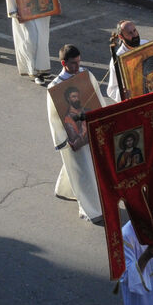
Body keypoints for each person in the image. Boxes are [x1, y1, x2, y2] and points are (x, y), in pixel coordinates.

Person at [47, 44, 104, 224]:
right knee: (83, 171)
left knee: (88, 168)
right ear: (63, 63)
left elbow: (97, 97)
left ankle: (65, 189)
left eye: (79, 62)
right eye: (73, 63)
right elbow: (54, 117)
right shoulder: (55, 86)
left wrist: (103, 119)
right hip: (72, 136)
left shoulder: (85, 74)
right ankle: (92, 210)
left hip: (90, 128)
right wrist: (64, 141)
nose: (77, 66)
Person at [107, 20, 141, 102]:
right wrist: (122, 93)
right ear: (121, 37)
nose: (134, 35)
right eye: (130, 33)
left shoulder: (146, 44)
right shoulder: (118, 59)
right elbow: (111, 90)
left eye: (134, 30)